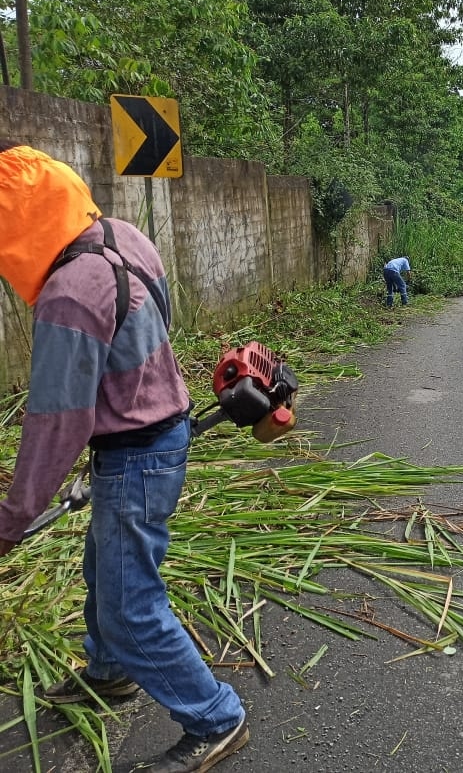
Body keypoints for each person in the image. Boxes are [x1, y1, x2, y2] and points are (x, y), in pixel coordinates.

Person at [0, 142, 248, 772]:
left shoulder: (68, 295)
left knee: (129, 605)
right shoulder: (122, 235)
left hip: (136, 456)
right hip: (159, 431)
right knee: (105, 569)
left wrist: (11, 520)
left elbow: (56, 424)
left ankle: (215, 717)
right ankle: (110, 671)